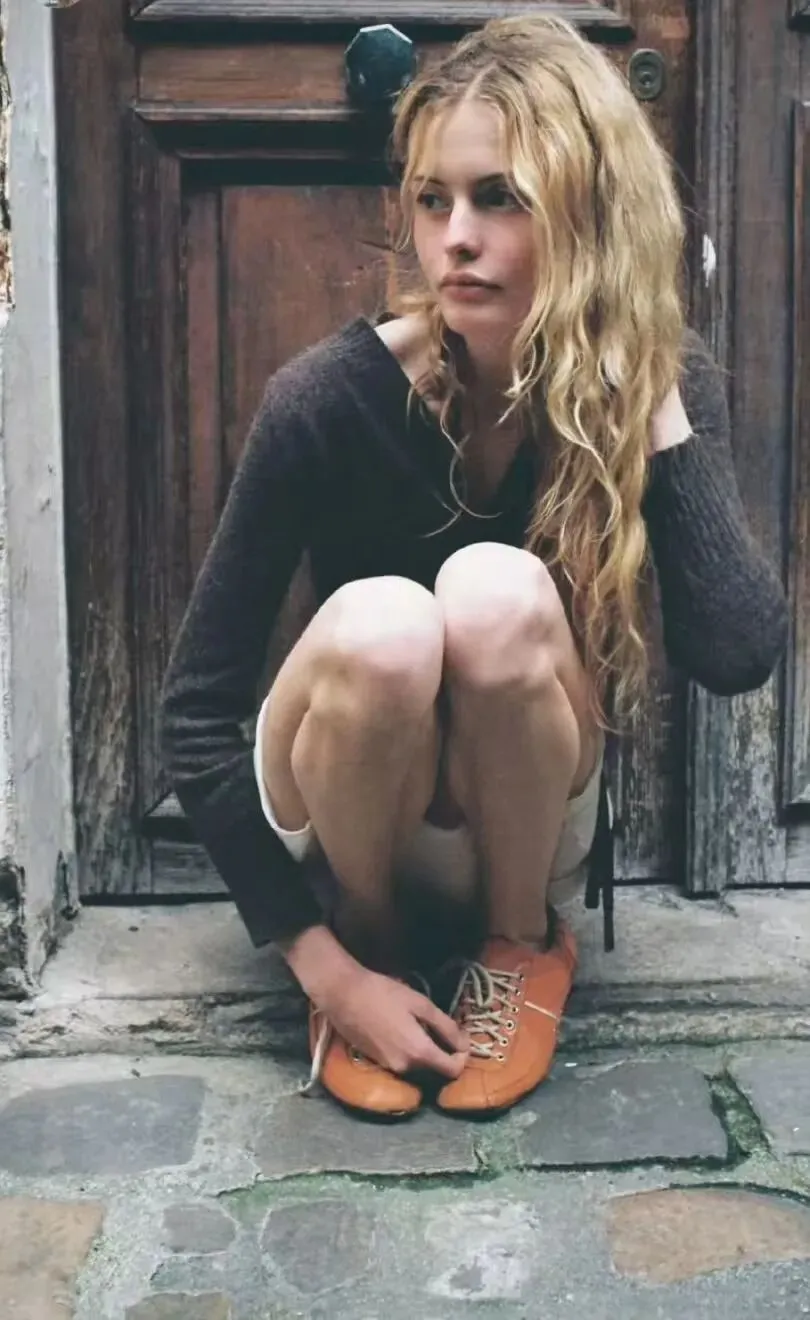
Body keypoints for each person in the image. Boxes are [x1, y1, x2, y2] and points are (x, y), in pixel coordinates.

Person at [160, 15, 788, 1119]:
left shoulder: (658, 387)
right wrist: (325, 967)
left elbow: (737, 653)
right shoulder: (325, 400)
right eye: (433, 199)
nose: (455, 238)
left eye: (502, 198)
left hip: (523, 823)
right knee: (387, 622)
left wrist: (646, 384)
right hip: (352, 812)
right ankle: (377, 951)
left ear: (591, 215)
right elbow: (195, 718)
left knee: (493, 592)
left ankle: (518, 949)